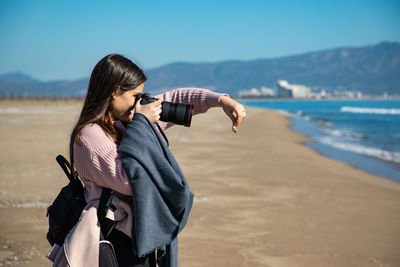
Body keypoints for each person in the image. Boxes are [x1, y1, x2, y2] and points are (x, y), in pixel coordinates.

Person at [57, 54, 246, 267]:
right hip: (111, 238)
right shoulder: (91, 134)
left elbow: (178, 97)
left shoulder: (125, 123)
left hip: (136, 234)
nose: (140, 102)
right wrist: (142, 122)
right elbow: (128, 182)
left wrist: (221, 101)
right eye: (136, 95)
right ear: (114, 92)